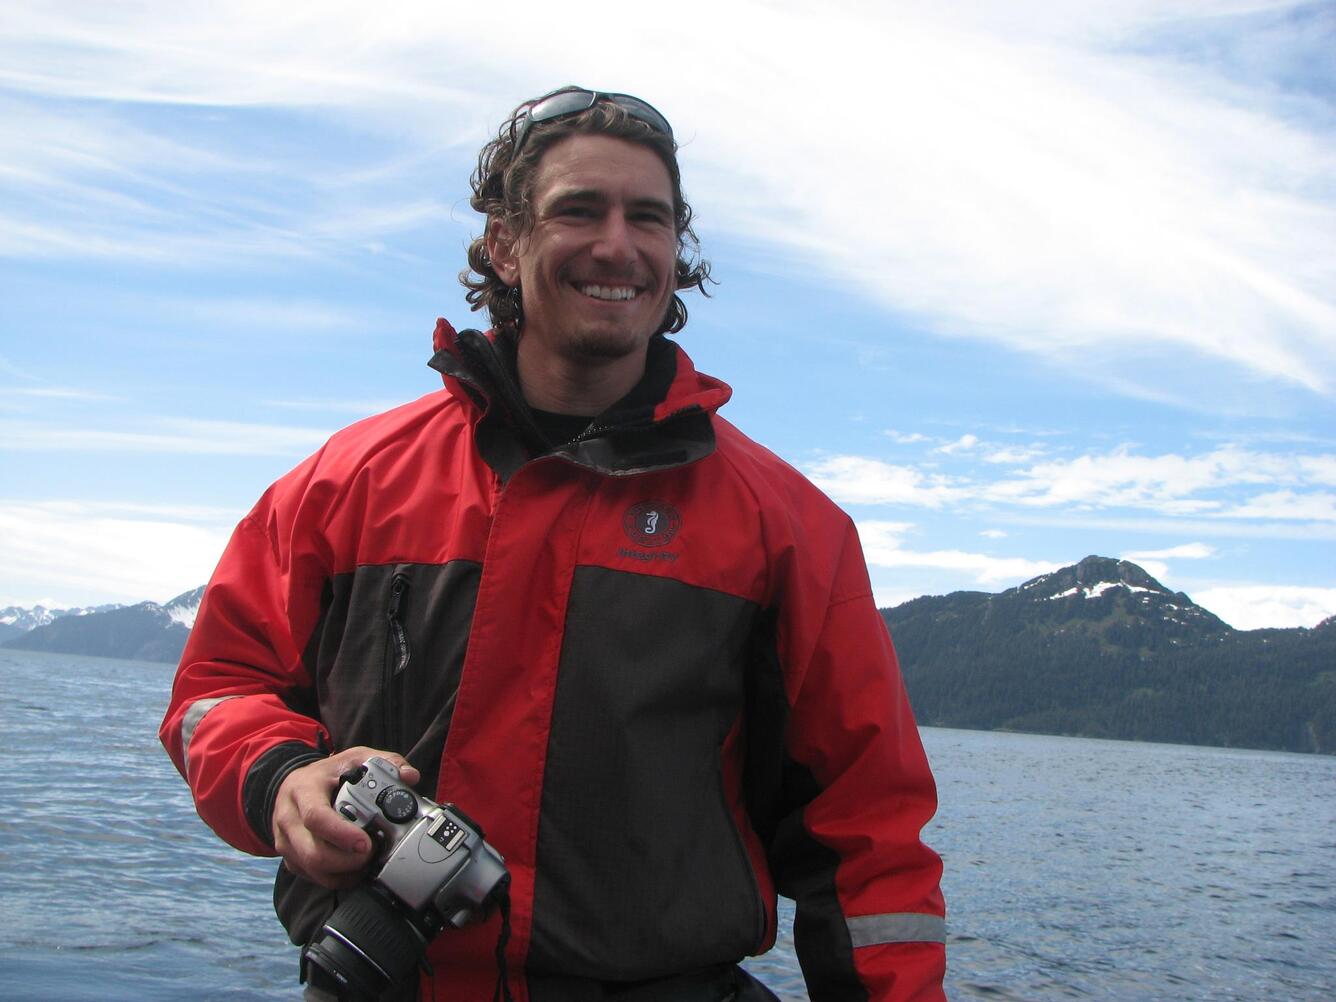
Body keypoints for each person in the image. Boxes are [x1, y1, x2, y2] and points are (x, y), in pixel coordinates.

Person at [160, 86, 946, 1002]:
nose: (619, 245)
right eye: (580, 210)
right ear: (505, 243)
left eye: (648, 219)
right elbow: (216, 692)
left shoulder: (789, 527)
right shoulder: (350, 481)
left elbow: (868, 832)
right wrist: (282, 779)